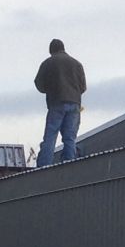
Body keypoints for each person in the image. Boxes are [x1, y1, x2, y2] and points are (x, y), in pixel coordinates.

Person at [34, 38, 87, 167]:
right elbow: (83, 87)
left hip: (56, 103)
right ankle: (68, 167)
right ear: (63, 48)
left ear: (51, 50)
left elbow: (39, 84)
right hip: (74, 104)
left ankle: (44, 167)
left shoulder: (48, 63)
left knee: (51, 136)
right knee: (69, 138)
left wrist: (50, 89)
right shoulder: (77, 64)